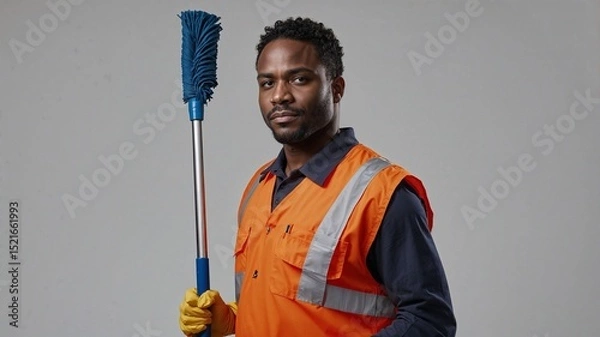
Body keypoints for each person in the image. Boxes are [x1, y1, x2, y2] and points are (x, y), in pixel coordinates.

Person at [179, 17, 457, 337]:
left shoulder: (381, 193)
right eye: (267, 82)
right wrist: (230, 319)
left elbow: (430, 321)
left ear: (336, 88)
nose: (279, 95)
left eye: (298, 79)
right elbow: (286, 306)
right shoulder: (259, 185)